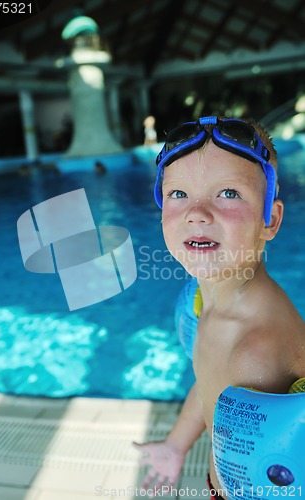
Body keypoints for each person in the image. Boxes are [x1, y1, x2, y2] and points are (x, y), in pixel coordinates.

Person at [133, 116, 305, 499]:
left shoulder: (256, 356)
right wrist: (177, 445)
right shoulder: (203, 299)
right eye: (178, 194)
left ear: (270, 220)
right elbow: (211, 386)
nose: (197, 212)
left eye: (227, 193)